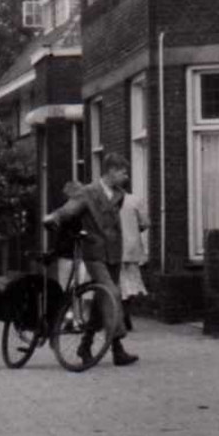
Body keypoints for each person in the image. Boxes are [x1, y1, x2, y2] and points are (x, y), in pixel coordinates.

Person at [42, 152, 137, 366]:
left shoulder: (120, 194)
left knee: (99, 301)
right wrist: (53, 217)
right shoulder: (88, 192)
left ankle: (85, 345)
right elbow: (68, 210)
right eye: (123, 172)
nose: (126, 177)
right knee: (111, 293)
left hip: (114, 252)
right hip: (94, 253)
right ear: (111, 171)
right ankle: (118, 345)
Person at [118, 189, 152, 332]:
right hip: (131, 247)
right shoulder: (135, 200)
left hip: (113, 247)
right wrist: (133, 228)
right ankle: (126, 314)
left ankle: (118, 316)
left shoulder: (106, 201)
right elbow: (145, 223)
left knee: (116, 282)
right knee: (131, 283)